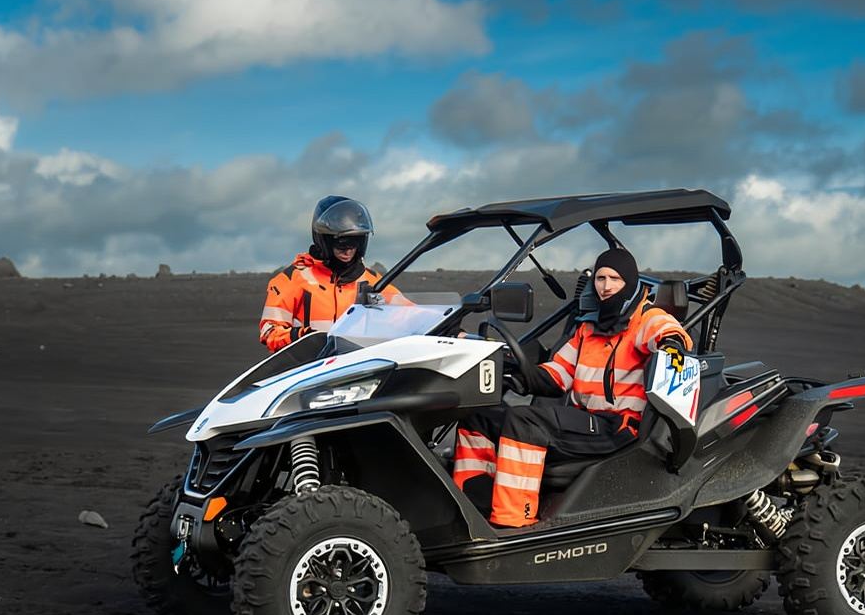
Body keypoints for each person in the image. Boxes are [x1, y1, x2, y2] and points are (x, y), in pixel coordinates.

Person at [452, 246, 691, 528]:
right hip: (585, 420)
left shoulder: (645, 319)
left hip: (619, 426)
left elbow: (670, 332)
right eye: (601, 279)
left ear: (630, 283)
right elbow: (557, 375)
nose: (606, 286)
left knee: (524, 422)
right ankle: (472, 507)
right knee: (478, 416)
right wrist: (519, 374)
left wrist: (671, 346)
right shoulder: (588, 328)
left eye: (615, 279)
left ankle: (513, 521)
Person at [259, 196, 407, 352]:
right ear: (325, 240)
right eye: (342, 243)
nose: (348, 250)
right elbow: (269, 331)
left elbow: (410, 315)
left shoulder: (374, 282)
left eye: (355, 242)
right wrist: (301, 338)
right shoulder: (293, 279)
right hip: (310, 368)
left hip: (358, 366)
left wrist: (433, 323)